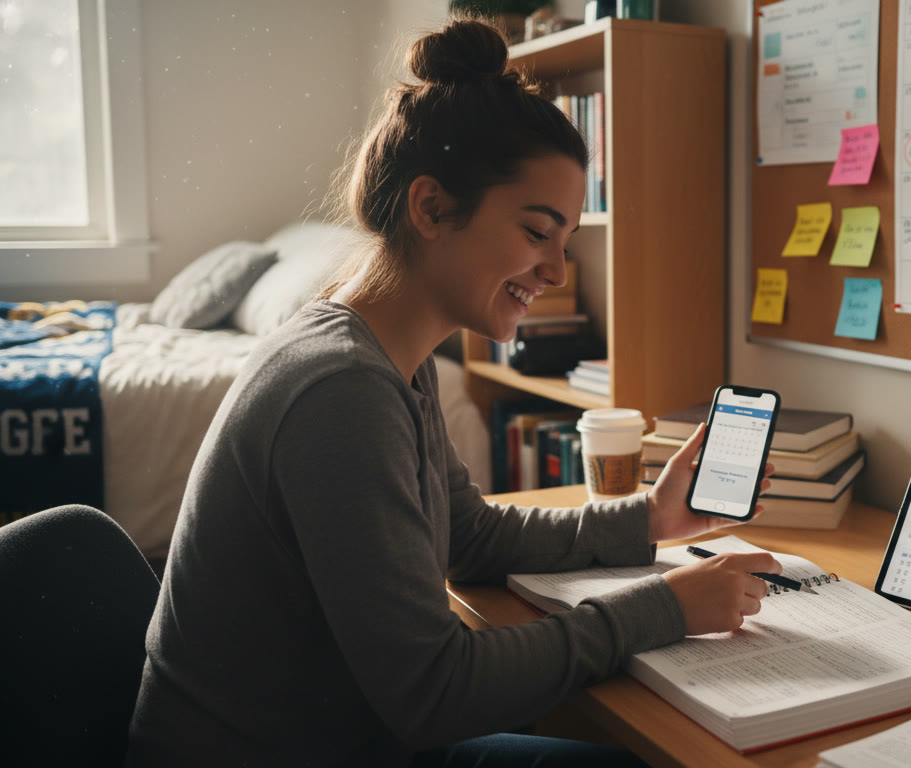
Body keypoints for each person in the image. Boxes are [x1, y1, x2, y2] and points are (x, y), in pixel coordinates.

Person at [125, 17, 779, 768]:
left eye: (565, 241)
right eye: (539, 233)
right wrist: (664, 607)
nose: (559, 272)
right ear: (432, 208)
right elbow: (434, 691)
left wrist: (651, 518)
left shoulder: (389, 353)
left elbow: (466, 538)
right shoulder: (342, 392)